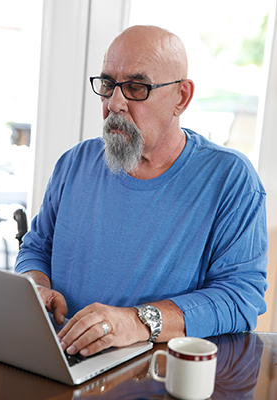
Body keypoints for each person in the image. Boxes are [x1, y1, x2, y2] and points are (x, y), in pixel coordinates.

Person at [15, 25, 268, 358]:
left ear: (182, 97)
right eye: (107, 85)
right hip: (60, 359)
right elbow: (37, 247)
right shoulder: (74, 163)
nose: (115, 102)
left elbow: (240, 299)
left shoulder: (229, 178)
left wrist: (138, 322)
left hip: (154, 378)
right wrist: (35, 284)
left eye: (136, 87)